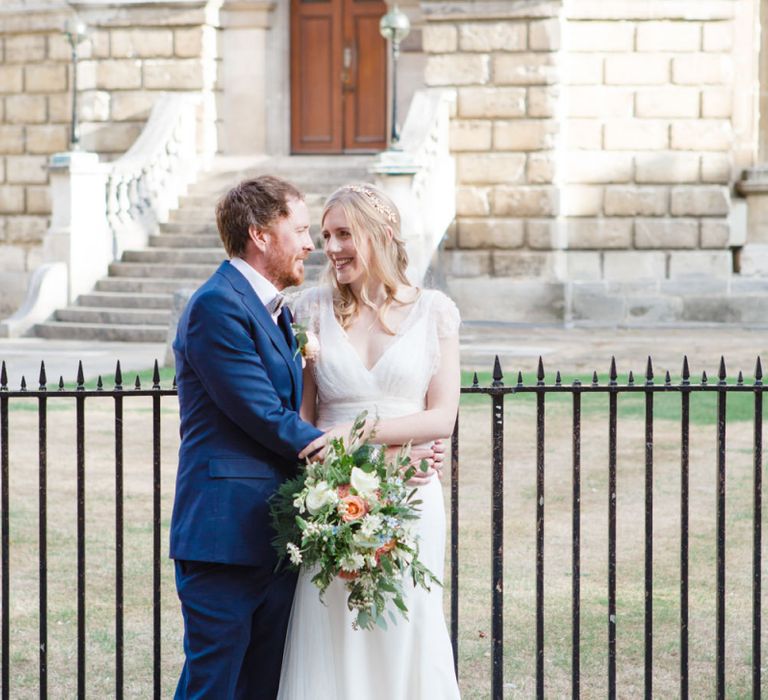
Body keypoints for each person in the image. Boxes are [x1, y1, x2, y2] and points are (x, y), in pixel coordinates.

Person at [278, 184, 462, 699]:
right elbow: (304, 417)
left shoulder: (435, 313)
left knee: (406, 622)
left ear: (382, 236)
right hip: (333, 497)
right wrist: (340, 451)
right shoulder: (310, 311)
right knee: (334, 631)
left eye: (344, 235)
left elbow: (442, 416)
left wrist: (358, 433)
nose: (331, 248)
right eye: (326, 235)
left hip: (412, 493)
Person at [170, 176, 327, 699]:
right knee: (213, 688)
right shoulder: (218, 305)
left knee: (258, 689)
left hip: (272, 535)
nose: (311, 244)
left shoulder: (275, 309)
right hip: (223, 537)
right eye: (300, 230)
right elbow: (261, 412)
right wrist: (351, 455)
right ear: (260, 235)